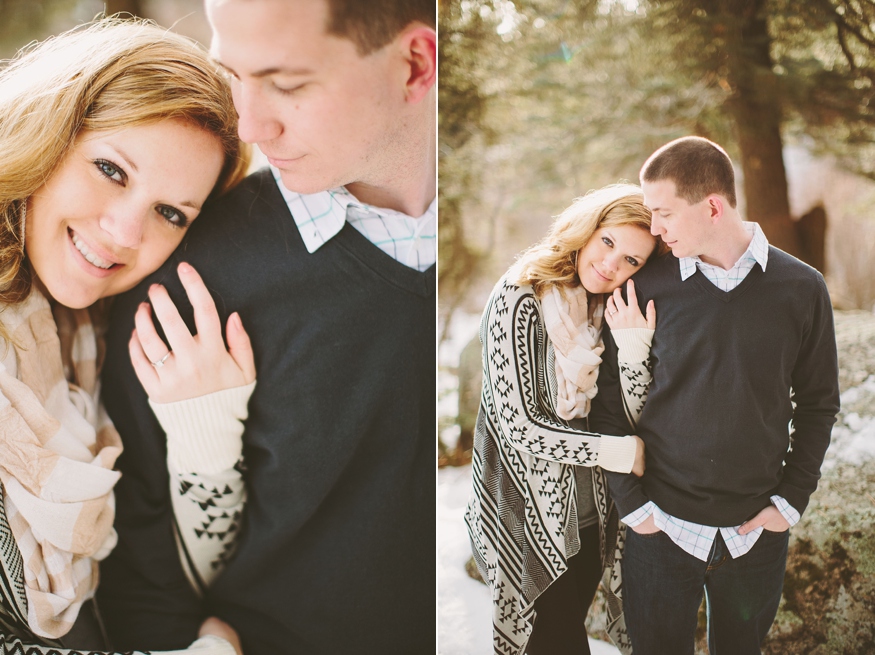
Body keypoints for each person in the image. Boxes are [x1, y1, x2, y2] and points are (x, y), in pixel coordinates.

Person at [96, 0, 437, 653]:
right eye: (234, 76)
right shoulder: (192, 271)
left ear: (416, 64)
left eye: (285, 83)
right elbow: (141, 571)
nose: (248, 124)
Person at [0, 16, 257, 655]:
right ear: (46, 127)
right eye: (112, 169)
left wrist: (208, 430)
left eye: (171, 213)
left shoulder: (91, 338)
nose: (124, 233)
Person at [590, 136, 841, 655]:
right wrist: (637, 511)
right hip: (661, 531)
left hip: (755, 535)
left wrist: (790, 502)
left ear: (711, 206)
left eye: (663, 214)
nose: (654, 229)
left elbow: (819, 404)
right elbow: (608, 406)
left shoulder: (802, 288)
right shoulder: (646, 287)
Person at [464, 184, 669, 655]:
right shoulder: (519, 298)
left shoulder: (605, 307)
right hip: (521, 515)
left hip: (591, 518)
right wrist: (617, 451)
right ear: (588, 227)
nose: (612, 265)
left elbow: (632, 412)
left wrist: (635, 348)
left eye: (632, 261)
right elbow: (520, 426)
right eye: (609, 242)